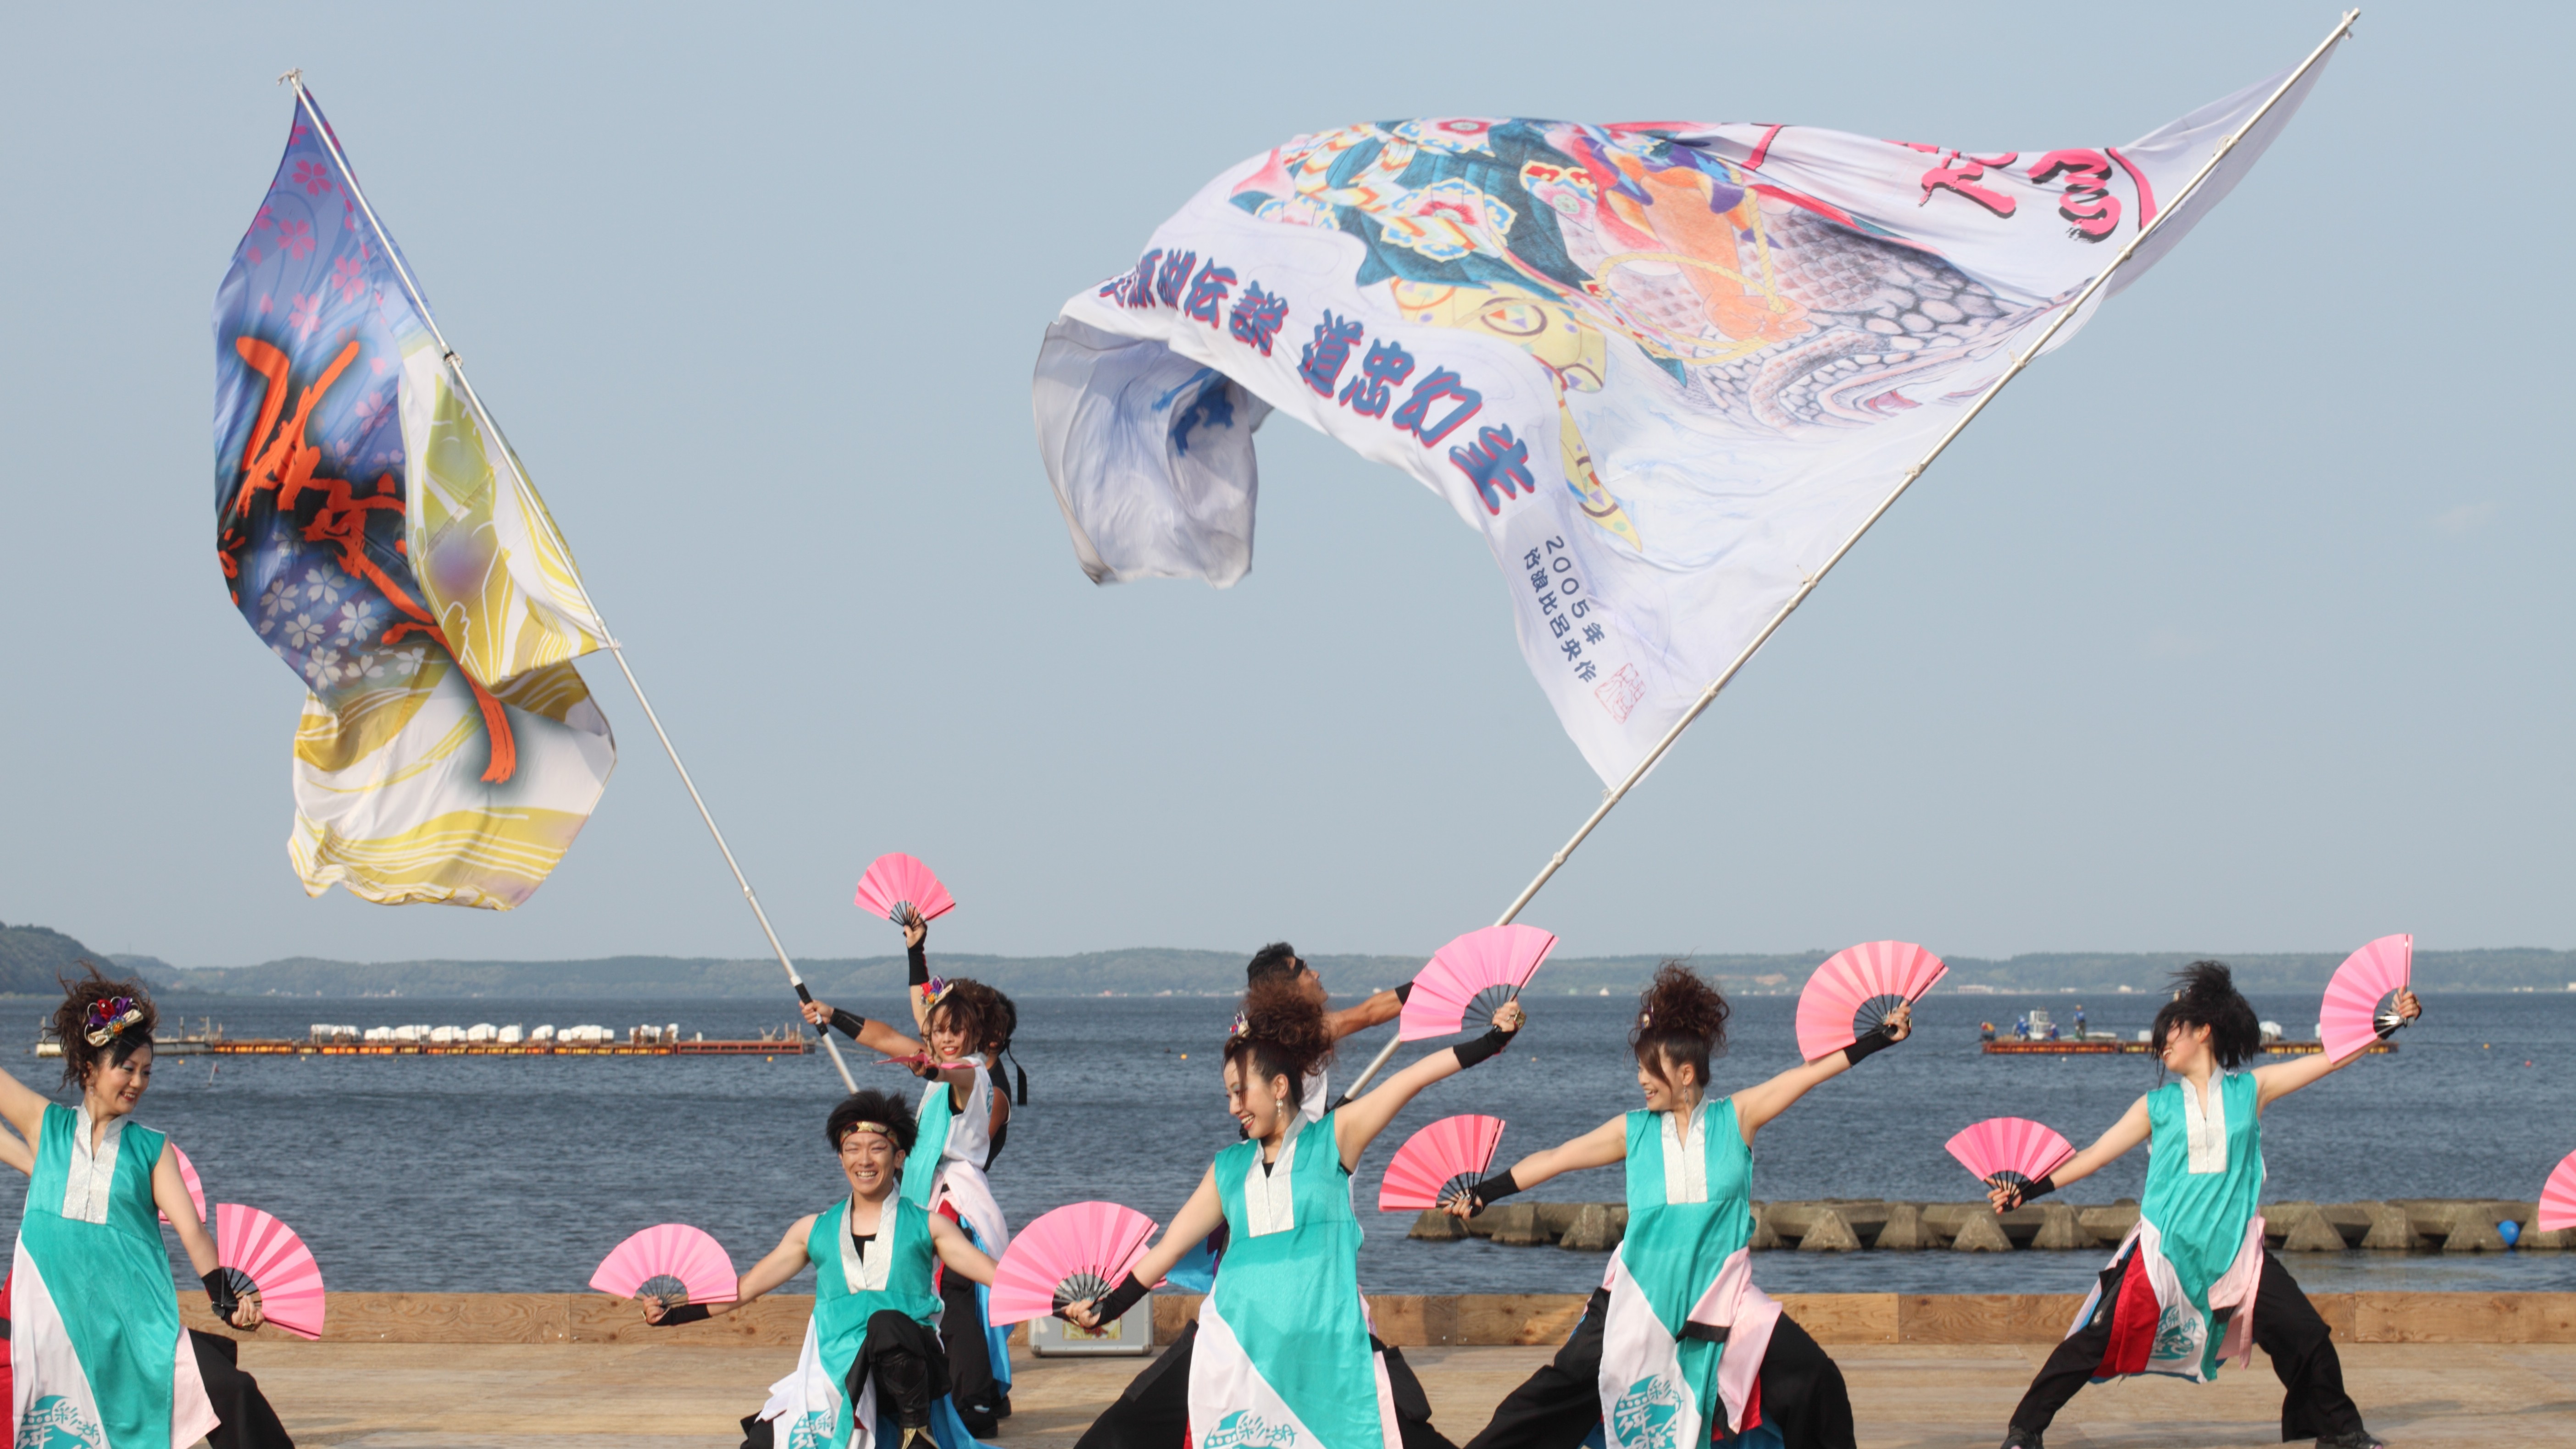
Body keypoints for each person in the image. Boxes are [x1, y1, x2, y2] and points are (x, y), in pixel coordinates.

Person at [1445, 962, 1913, 1449]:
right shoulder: (1633, 1130)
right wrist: (1485, 1193)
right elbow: (1556, 1159)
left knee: (1816, 1378)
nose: (1641, 1081)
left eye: (1651, 1071)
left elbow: (1808, 1074)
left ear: (1685, 1073)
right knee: (1553, 1395)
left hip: (1721, 1296)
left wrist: (1880, 1038)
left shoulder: (1739, 1117)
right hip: (1639, 1293)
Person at [1063, 973, 1526, 1449]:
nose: (1232, 1108)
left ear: (1280, 1086)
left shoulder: (1334, 1138)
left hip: (1325, 1346)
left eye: (1240, 1092)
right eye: (1228, 1095)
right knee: (1116, 1434)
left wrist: (1493, 1040)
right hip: (1235, 1348)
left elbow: (1411, 1079)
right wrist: (1107, 1307)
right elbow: (1163, 1255)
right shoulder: (1228, 1169)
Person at [1988, 962, 2420, 1449]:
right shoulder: (2155, 1107)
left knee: (2305, 1334)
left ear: (2204, 1030)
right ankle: (2024, 1432)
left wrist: (2390, 1022)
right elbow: (2090, 1157)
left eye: (2171, 1032)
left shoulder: (2251, 1090)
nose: (2163, 1045)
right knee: (2095, 1340)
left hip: (2237, 1254)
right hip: (2164, 1255)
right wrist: (2026, 1189)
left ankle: (2341, 1433)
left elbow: (2330, 1059)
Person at [0, 968, 289, 1449]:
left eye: (147, 1071)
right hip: (49, 1321)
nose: (138, 1082)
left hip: (135, 1326)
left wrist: (224, 1298)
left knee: (233, 1391)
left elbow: (193, 1233)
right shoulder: (46, 1128)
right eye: (127, 1069)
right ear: (90, 1070)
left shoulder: (152, 1150)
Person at [648, 1089, 999, 1449]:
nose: (865, 1159)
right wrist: (674, 1312)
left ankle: (914, 1436)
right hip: (836, 1371)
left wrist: (1057, 1303)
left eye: (877, 1148)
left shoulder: (930, 1226)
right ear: (841, 1158)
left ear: (899, 1158)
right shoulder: (813, 1230)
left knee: (885, 1324)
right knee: (760, 1442)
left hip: (908, 1375)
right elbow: (746, 1288)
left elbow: (996, 1276)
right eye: (853, 1148)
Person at [803, 908, 1018, 1435]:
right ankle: (964, 1396)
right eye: (938, 1033)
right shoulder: (940, 1061)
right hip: (925, 1196)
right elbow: (883, 1037)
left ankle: (973, 1404)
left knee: (956, 1296)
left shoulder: (971, 1073)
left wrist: (931, 1065)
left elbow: (946, 1068)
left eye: (955, 1031)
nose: (944, 1039)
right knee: (943, 1300)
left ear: (976, 1037)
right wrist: (833, 1012)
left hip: (954, 1201)